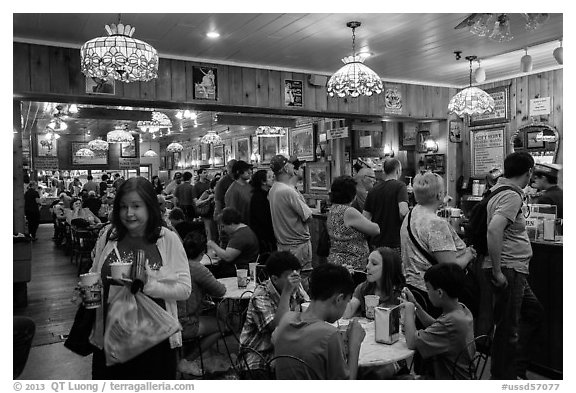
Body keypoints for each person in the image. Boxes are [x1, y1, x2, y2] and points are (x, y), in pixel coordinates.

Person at [88, 176, 191, 379]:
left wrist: (149, 285)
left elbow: (185, 289)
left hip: (155, 341)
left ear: (150, 207)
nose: (129, 213)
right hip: (111, 337)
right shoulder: (109, 235)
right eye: (123, 206)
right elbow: (94, 273)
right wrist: (87, 292)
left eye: (136, 206)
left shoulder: (166, 239)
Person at [484, 152, 543, 380]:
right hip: (509, 268)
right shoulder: (512, 196)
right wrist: (498, 271)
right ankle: (503, 379)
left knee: (533, 313)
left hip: (513, 267)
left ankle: (514, 370)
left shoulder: (498, 189)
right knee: (508, 329)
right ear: (529, 171)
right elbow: (494, 229)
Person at [400, 172, 476, 318]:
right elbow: (450, 267)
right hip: (436, 293)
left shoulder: (410, 215)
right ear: (439, 195)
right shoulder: (436, 223)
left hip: (414, 287)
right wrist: (468, 254)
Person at [272, 264, 365, 379]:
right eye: (347, 301)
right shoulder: (329, 335)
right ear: (339, 299)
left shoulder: (286, 319)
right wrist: (354, 344)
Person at [238, 251, 307, 379]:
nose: (296, 280)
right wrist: (287, 292)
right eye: (291, 276)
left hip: (286, 347)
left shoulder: (295, 287)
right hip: (259, 352)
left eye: (297, 275)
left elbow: (307, 310)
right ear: (275, 279)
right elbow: (277, 327)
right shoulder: (260, 295)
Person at [401, 263, 475, 380]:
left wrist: (409, 309)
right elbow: (436, 325)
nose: (427, 292)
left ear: (440, 293)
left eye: (428, 289)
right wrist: (416, 305)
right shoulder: (461, 310)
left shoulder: (451, 322)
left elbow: (412, 343)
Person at [177, 231, 226, 377]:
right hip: (185, 323)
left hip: (170, 319)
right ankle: (188, 360)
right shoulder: (198, 268)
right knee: (221, 326)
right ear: (203, 252)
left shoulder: (177, 264)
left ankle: (198, 355)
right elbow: (220, 291)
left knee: (209, 312)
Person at [327, 175, 380, 274]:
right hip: (352, 266)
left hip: (335, 261)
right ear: (352, 194)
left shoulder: (333, 209)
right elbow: (375, 230)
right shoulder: (348, 211)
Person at [268, 154, 313, 269]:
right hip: (297, 246)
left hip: (283, 245)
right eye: (291, 164)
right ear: (285, 168)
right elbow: (308, 217)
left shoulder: (274, 188)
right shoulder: (288, 191)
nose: (294, 167)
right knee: (301, 280)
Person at [343, 247, 405, 319]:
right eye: (368, 262)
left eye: (374, 264)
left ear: (388, 268)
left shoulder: (401, 293)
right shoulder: (364, 288)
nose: (367, 267)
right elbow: (346, 313)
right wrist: (344, 281)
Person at [364, 158, 409, 255]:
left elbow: (365, 218)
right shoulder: (400, 186)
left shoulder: (373, 190)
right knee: (392, 269)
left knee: (378, 268)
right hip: (394, 242)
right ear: (398, 171)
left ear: (384, 171)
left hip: (376, 242)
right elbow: (403, 212)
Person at [206, 207, 259, 278]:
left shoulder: (240, 236)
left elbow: (228, 257)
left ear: (231, 224)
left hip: (238, 272)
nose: (223, 229)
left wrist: (213, 245)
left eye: (223, 226)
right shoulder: (245, 230)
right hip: (241, 270)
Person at [249, 169, 277, 254]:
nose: (272, 179)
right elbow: (264, 220)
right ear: (263, 182)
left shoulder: (267, 194)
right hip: (263, 238)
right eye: (269, 177)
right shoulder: (258, 197)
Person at [213, 159, 237, 247]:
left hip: (233, 214)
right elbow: (218, 200)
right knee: (225, 239)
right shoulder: (222, 182)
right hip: (224, 214)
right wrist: (220, 216)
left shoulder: (237, 180)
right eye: (230, 167)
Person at [224, 160, 253, 225]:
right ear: (238, 172)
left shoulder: (249, 186)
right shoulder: (233, 190)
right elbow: (231, 214)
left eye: (250, 169)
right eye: (246, 170)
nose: (250, 172)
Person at [196, 177, 217, 242]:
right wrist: (208, 199)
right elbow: (197, 203)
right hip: (208, 217)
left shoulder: (219, 193)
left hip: (216, 217)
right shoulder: (207, 193)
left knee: (215, 235)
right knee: (210, 235)